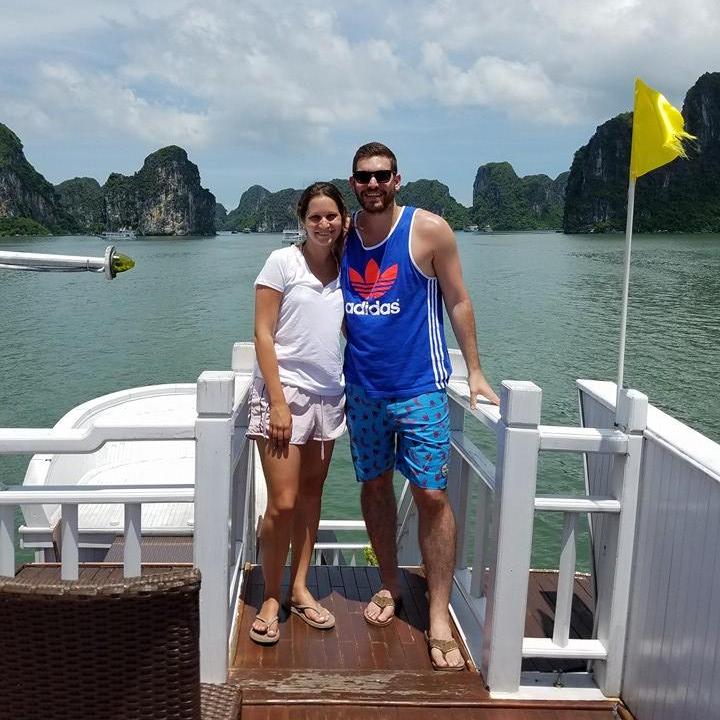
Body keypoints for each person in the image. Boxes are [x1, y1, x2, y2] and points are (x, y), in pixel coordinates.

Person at [340, 142, 500, 670]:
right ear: (353, 182)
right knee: (374, 486)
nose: (373, 184)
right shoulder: (342, 235)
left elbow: (458, 299)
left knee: (432, 494)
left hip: (421, 389)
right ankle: (390, 583)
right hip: (362, 389)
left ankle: (437, 613)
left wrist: (474, 370)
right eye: (364, 176)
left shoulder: (429, 230)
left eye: (382, 175)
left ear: (397, 179)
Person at [247, 182, 349, 645]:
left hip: (329, 397)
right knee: (283, 502)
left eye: (332, 216)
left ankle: (301, 588)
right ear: (302, 221)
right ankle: (272, 595)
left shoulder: (348, 268)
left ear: (342, 219)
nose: (324, 224)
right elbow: (263, 334)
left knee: (311, 497)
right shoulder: (282, 262)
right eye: (315, 217)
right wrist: (278, 402)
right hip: (284, 395)